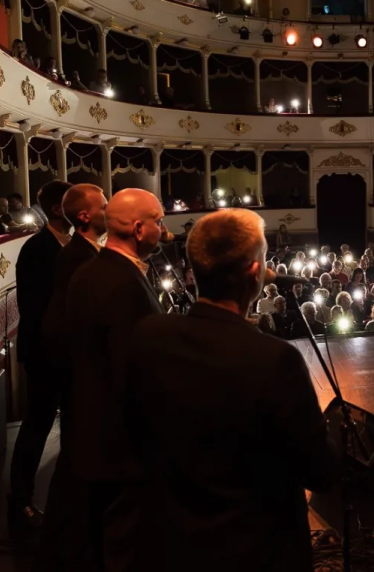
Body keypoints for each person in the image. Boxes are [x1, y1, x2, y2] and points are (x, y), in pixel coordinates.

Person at [122, 209, 337, 570]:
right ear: (255, 272)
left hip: (166, 543)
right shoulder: (274, 360)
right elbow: (320, 473)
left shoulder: (148, 336)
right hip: (252, 549)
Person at [64, 189, 167, 567]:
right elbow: (130, 371)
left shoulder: (93, 271)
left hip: (94, 433)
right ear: (139, 229)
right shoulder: (122, 284)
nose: (163, 229)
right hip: (121, 446)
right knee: (122, 548)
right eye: (158, 221)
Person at [36, 184, 108, 565]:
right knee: (76, 459)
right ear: (85, 216)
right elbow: (61, 325)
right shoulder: (78, 257)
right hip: (82, 377)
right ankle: (66, 545)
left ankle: (67, 541)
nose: (108, 210)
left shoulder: (82, 253)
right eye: (104, 205)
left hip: (82, 376)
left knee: (75, 457)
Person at [8, 181, 73, 529]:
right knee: (38, 425)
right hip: (45, 352)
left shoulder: (73, 245)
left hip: (66, 350)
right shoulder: (37, 249)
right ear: (60, 210)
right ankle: (20, 499)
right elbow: (35, 310)